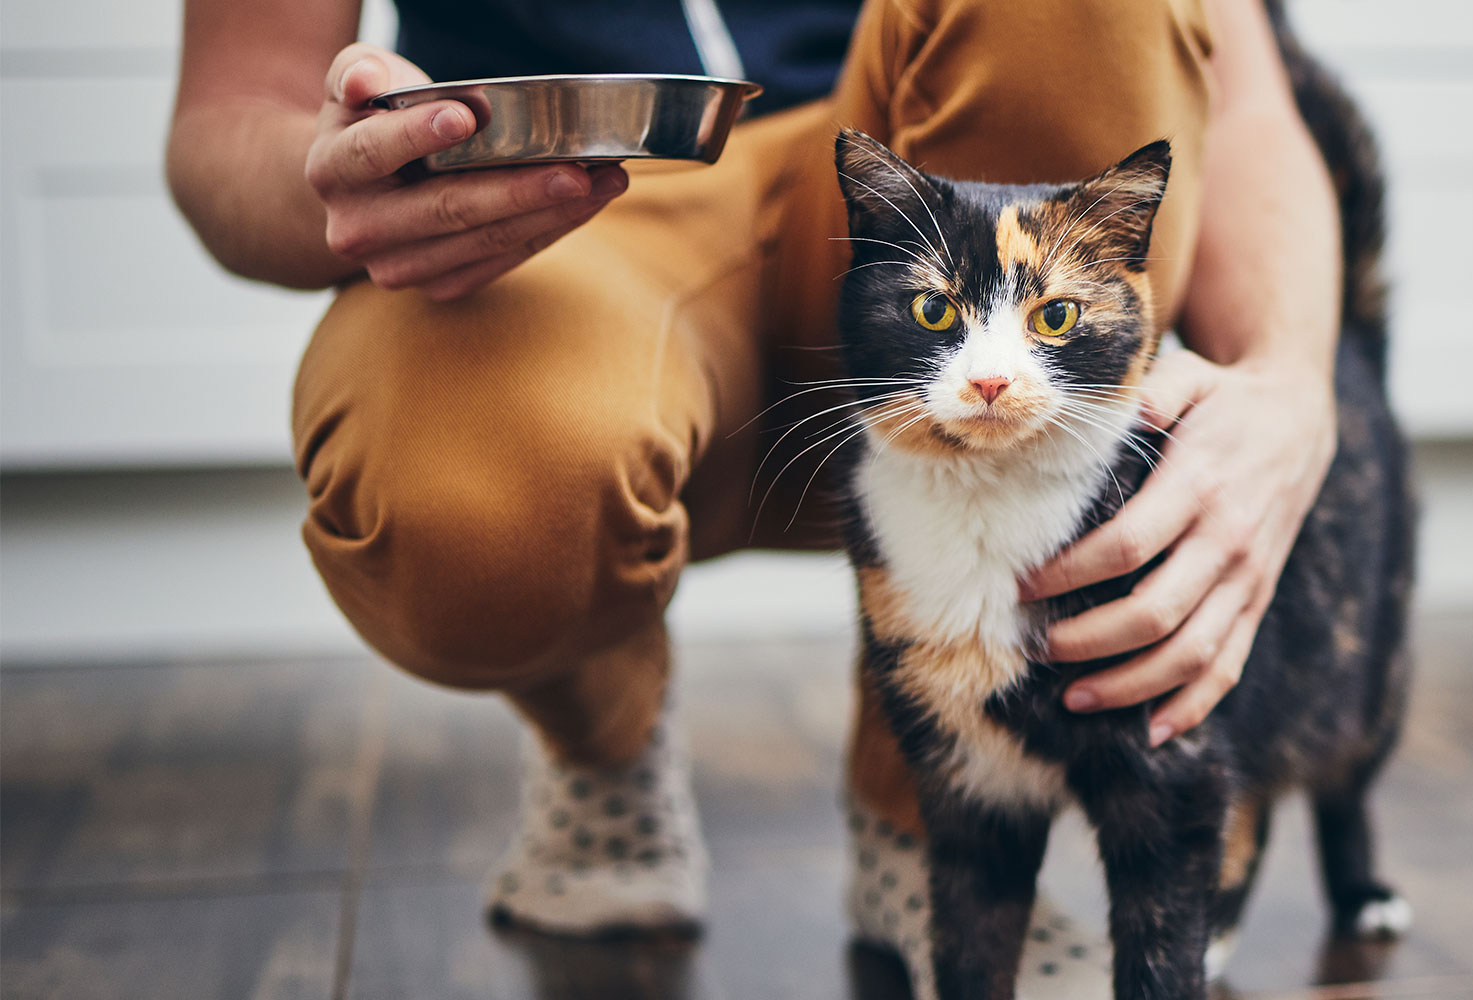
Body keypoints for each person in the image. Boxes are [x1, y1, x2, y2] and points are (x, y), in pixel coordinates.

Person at [169, 0, 1341, 990]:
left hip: (933, 196)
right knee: (465, 516)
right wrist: (342, 173)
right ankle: (600, 734)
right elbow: (230, 118)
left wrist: (1291, 382)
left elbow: (1240, 98)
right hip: (551, 212)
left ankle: (932, 804)